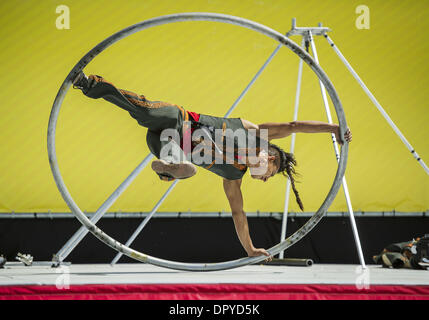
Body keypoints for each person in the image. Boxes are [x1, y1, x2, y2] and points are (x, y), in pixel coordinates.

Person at [73, 72, 352, 261]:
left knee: (183, 162)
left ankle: (169, 167)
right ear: (269, 158)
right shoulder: (255, 133)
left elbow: (238, 213)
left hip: (167, 143)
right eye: (270, 175)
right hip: (176, 119)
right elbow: (294, 126)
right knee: (142, 109)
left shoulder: (234, 178)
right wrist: (334, 128)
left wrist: (251, 249)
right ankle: (86, 82)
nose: (265, 180)